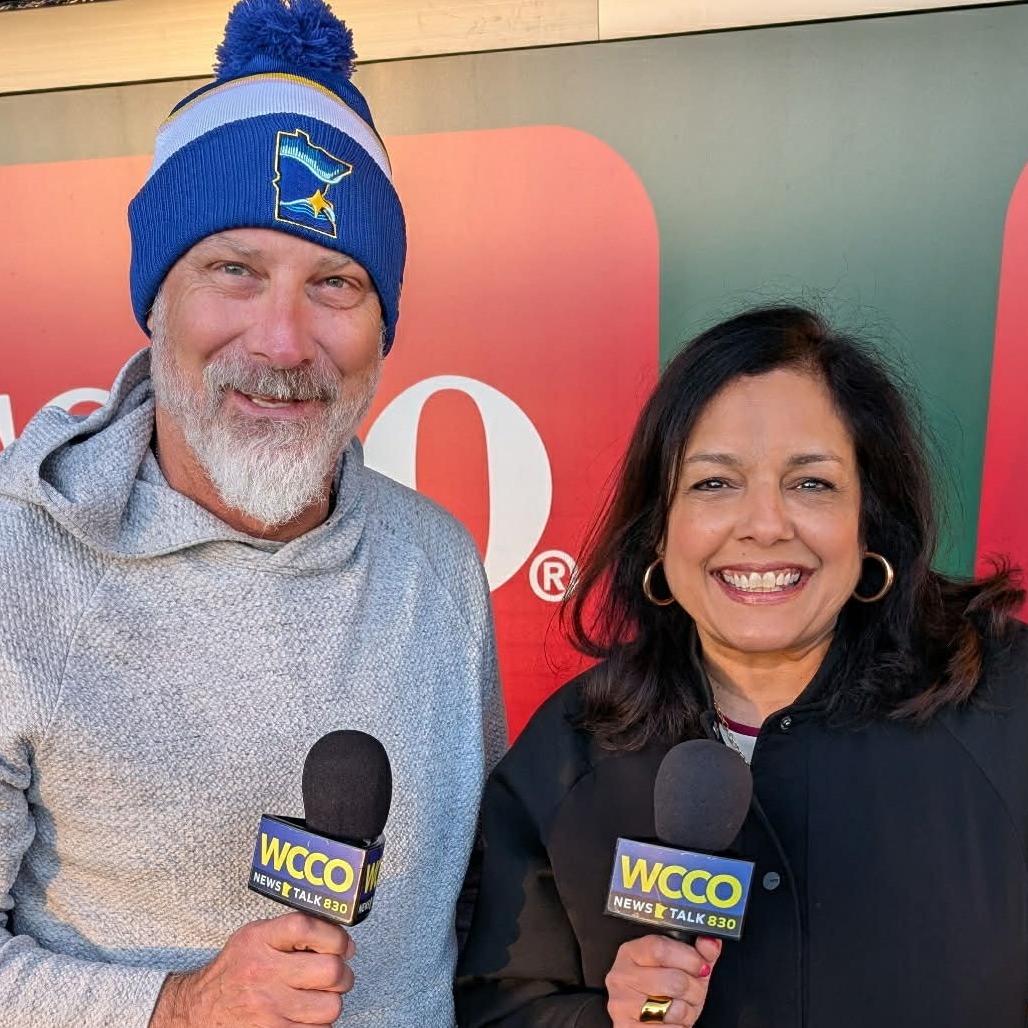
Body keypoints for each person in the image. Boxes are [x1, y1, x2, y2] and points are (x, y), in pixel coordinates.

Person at [0, 1, 506, 1026]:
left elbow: (476, 910)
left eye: (335, 282)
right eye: (234, 270)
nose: (281, 340)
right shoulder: (19, 566)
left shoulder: (438, 563)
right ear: (158, 301)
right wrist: (177, 1004)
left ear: (382, 326)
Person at [455, 304, 1028, 1028]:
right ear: (658, 531)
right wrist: (613, 1020)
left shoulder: (1004, 701)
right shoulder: (567, 753)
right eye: (714, 484)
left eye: (811, 483)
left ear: (869, 522)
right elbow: (499, 1005)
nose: (764, 525)